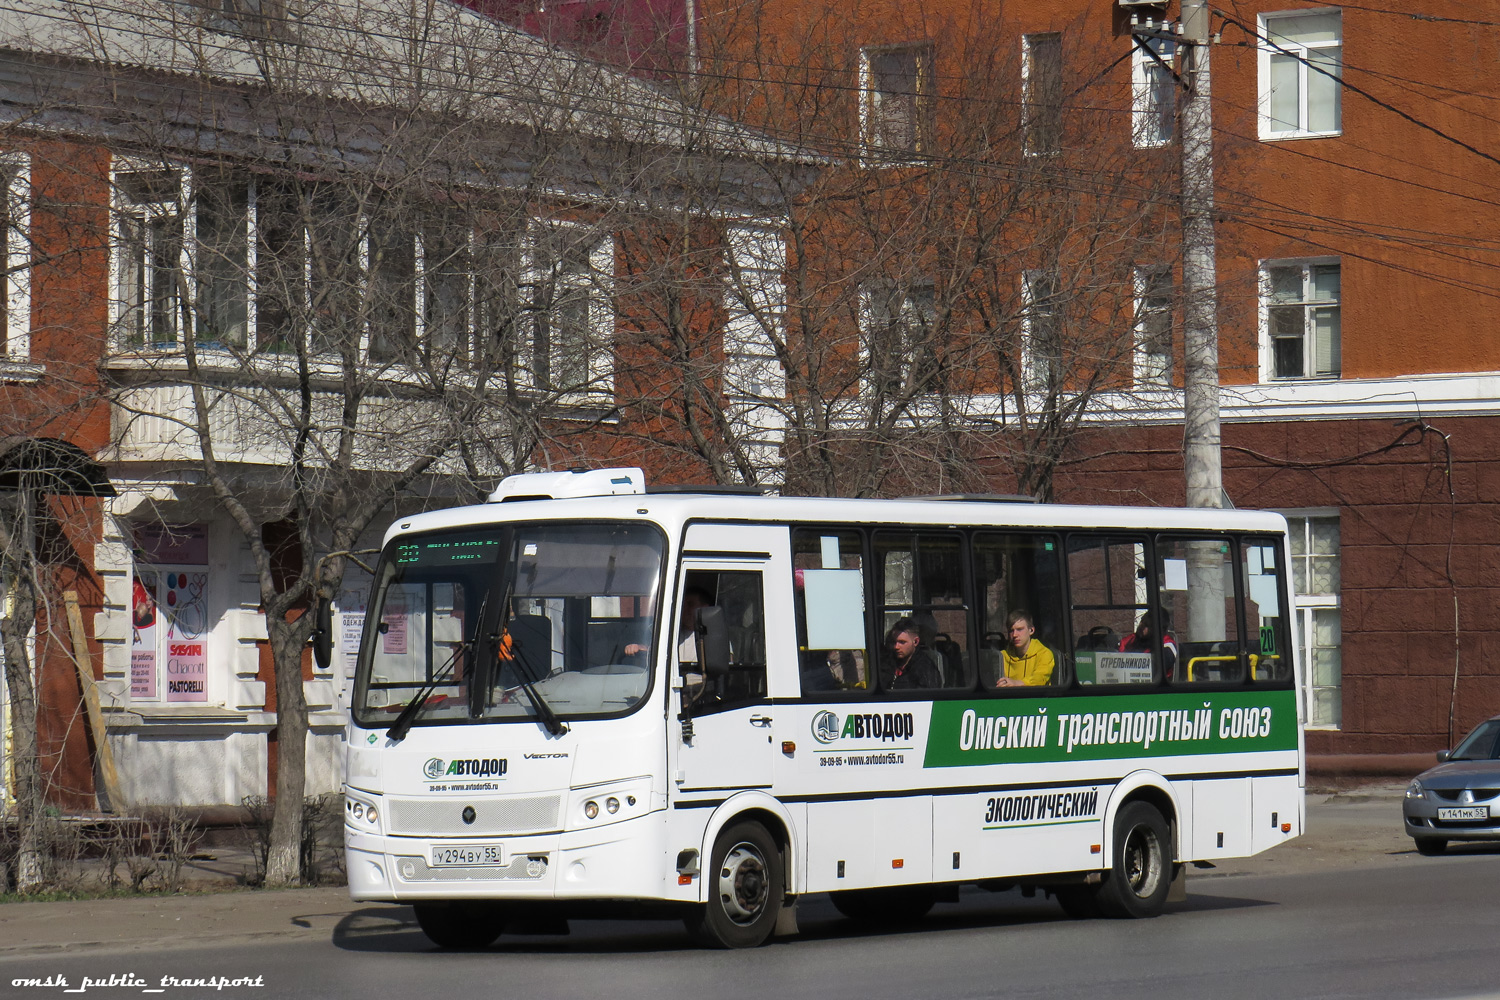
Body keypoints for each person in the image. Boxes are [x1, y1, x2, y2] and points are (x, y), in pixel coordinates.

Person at [624, 585, 711, 661]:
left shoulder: (712, 637)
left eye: (690, 604)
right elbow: (659, 652)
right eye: (683, 605)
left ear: (705, 608)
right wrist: (639, 648)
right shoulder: (673, 633)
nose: (685, 609)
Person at [996, 609, 1054, 687]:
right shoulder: (1001, 656)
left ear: (1031, 630)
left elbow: (1039, 679)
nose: (1015, 635)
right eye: (1011, 631)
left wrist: (1016, 683)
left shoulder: (1044, 654)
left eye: (1019, 629)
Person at [882, 617, 943, 690]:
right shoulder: (888, 662)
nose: (896, 647)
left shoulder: (925, 668)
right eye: (894, 642)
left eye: (902, 642)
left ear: (916, 642)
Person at [1120, 612, 1177, 680]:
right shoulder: (1131, 639)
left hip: (1153, 686)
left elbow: (1158, 665)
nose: (1141, 626)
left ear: (1156, 628)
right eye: (1142, 621)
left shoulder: (1167, 644)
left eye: (1147, 625)